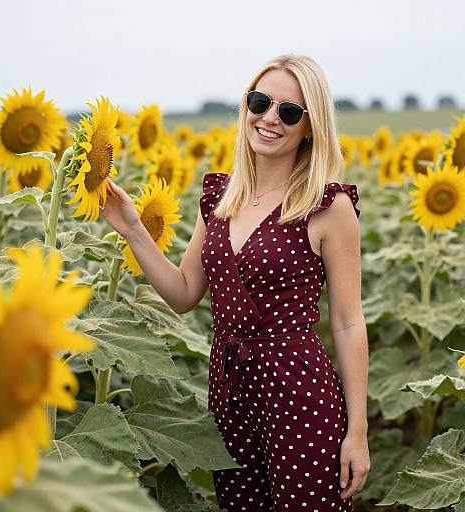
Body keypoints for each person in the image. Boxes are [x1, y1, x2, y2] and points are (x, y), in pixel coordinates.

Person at [100, 53, 370, 511]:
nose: (269, 118)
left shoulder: (328, 206)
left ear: (310, 127)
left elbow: (347, 322)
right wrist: (132, 229)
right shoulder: (223, 198)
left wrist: (358, 430)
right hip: (228, 387)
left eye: (289, 111)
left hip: (297, 389)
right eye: (260, 101)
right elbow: (184, 293)